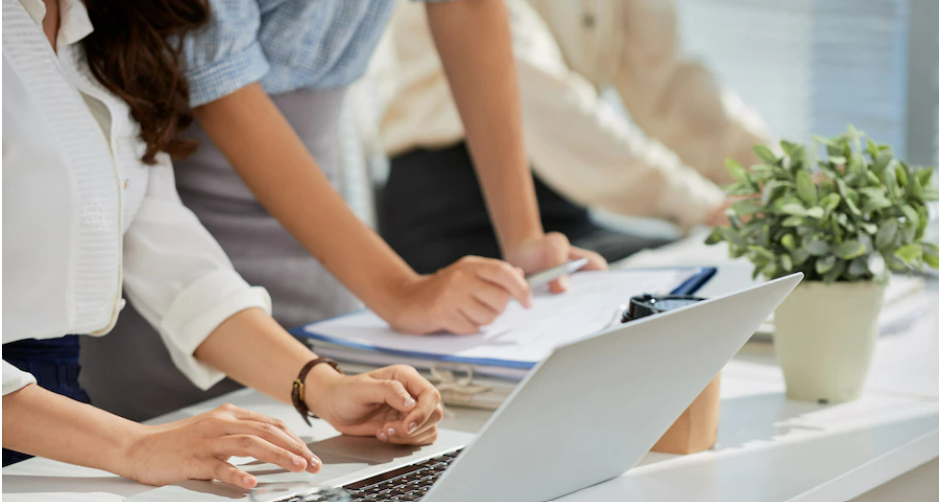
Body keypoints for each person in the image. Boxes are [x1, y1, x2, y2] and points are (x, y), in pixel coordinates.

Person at [79, 0, 607, 422]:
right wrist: (398, 290)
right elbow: (220, 83)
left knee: (332, 437)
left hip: (320, 235)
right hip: (180, 226)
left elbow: (467, 6)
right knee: (198, 442)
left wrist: (524, 238)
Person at [2, 0, 443, 488]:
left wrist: (322, 387)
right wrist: (135, 445)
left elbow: (174, 262)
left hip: (55, 421)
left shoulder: (96, 28)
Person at [371, 0, 771, 273]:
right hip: (452, 207)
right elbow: (545, 99)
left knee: (696, 280)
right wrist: (703, 205)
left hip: (563, 204)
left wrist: (772, 178)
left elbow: (667, 80)